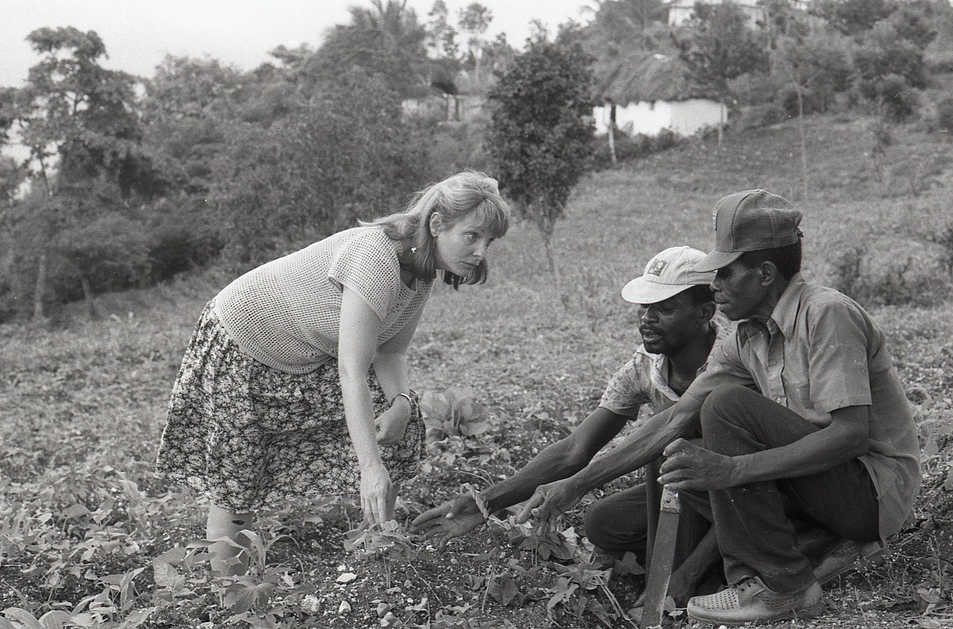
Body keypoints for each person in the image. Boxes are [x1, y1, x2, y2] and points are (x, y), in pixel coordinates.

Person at [520, 190, 921, 625]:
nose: (713, 286)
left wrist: (732, 471)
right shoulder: (746, 338)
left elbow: (849, 436)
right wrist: (576, 484)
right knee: (679, 454)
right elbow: (671, 421)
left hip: (870, 494)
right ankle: (809, 547)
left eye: (725, 274)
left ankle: (786, 585)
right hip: (815, 486)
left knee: (725, 407)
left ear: (765, 273)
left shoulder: (825, 314)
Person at [156, 171, 511, 575]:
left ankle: (379, 550)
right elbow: (351, 371)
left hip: (305, 350)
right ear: (436, 225)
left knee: (398, 418)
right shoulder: (376, 258)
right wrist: (369, 467)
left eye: (489, 241)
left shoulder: (421, 270)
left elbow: (390, 350)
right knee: (239, 477)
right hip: (242, 346)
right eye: (472, 236)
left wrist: (399, 403)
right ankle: (227, 594)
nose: (481, 251)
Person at [412, 245, 728, 604]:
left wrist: (684, 576)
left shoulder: (732, 360)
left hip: (744, 491)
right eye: (645, 307)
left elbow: (752, 474)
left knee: (668, 452)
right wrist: (485, 500)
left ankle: (690, 578)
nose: (646, 319)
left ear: (705, 311)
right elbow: (576, 449)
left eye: (665, 309)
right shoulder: (646, 367)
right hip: (688, 492)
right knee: (604, 522)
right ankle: (694, 561)